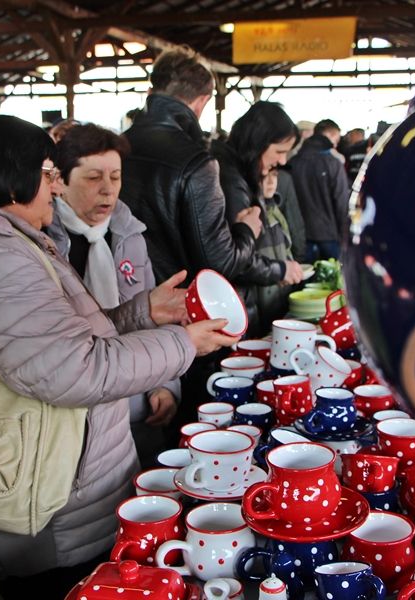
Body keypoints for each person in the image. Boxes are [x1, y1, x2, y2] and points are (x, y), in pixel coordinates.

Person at [0, 114, 237, 599]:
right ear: (15, 177)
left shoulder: (2, 241)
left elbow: (50, 345)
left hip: (51, 483)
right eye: (49, 173)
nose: (54, 188)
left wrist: (143, 313)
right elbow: (74, 369)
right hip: (45, 500)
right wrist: (185, 344)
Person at [120, 47, 290, 424]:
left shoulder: (121, 147)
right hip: (184, 317)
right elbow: (220, 262)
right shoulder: (195, 161)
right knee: (188, 425)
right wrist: (248, 228)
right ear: (201, 102)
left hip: (120, 306)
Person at [46, 123, 181, 468]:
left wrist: (164, 385)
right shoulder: (45, 242)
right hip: (74, 413)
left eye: (116, 177)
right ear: (59, 181)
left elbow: (156, 312)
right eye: (93, 178)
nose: (108, 191)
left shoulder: (129, 235)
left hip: (137, 400)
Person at [210, 101, 305, 335]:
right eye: (280, 152)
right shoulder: (231, 182)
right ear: (258, 143)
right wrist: (279, 270)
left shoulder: (237, 172)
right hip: (233, 307)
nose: (283, 162)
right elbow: (235, 258)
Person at [289, 118, 352, 262]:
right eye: (335, 140)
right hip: (330, 236)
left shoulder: (293, 162)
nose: (335, 145)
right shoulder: (333, 163)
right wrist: (345, 235)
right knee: (333, 281)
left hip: (300, 238)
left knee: (304, 281)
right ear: (328, 135)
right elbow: (341, 201)